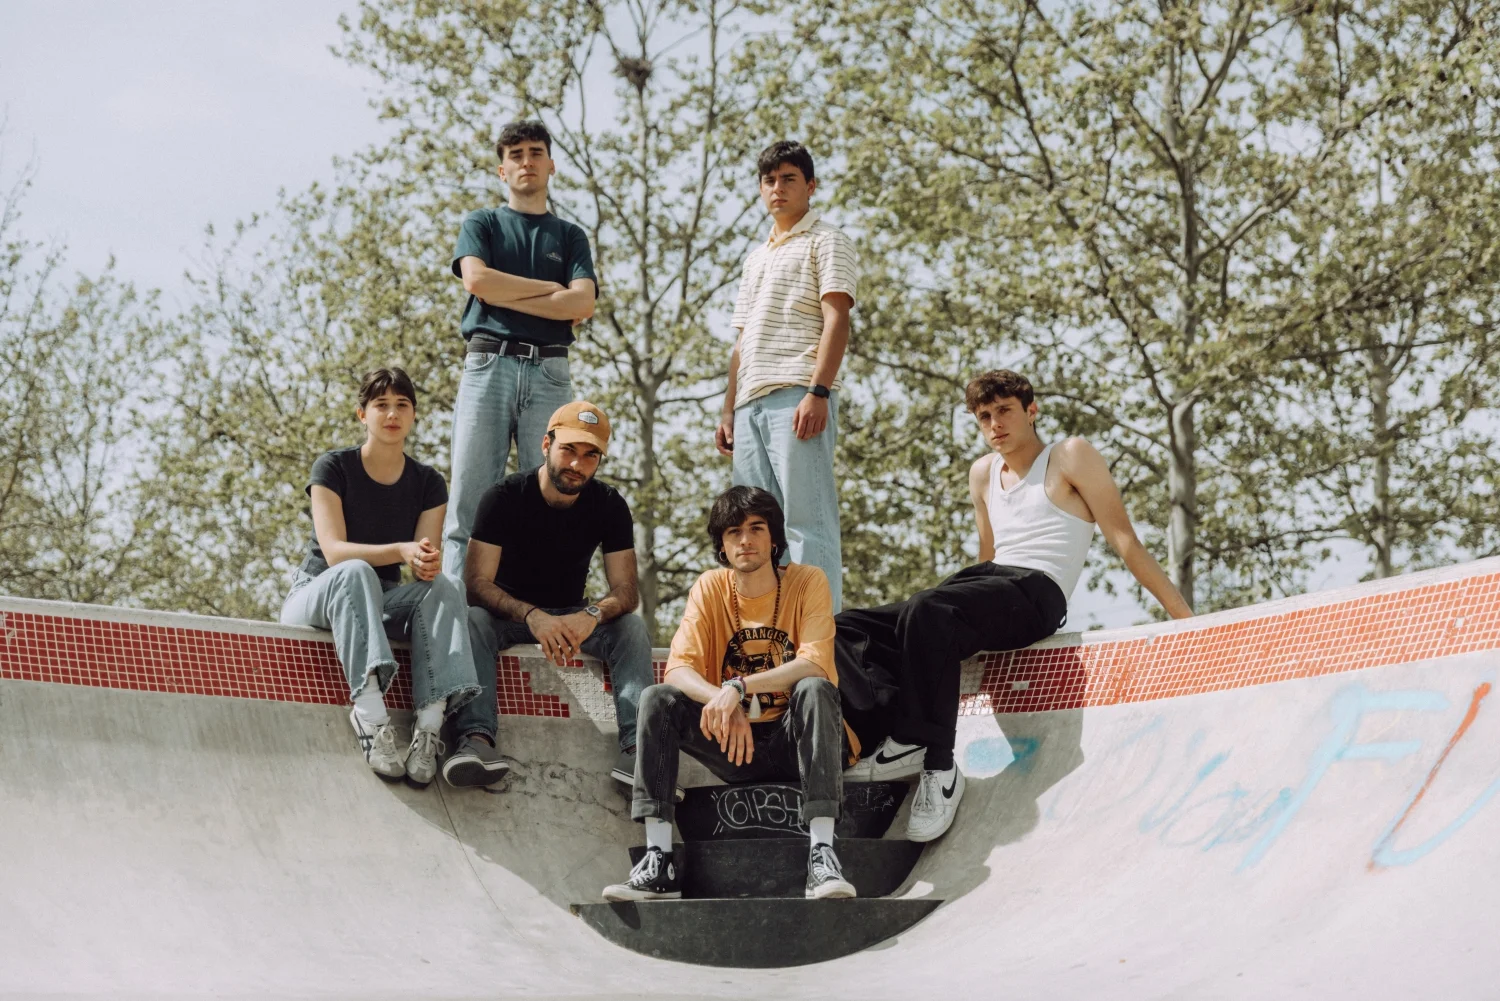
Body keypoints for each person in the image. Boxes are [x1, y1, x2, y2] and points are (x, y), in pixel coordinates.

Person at [837, 369, 1193, 842]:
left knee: (928, 607)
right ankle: (892, 736)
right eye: (984, 416)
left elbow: (1124, 540)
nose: (995, 424)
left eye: (1004, 411)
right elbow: (987, 557)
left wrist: (1186, 620)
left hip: (1038, 591)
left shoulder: (1069, 456)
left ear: (1031, 410)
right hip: (988, 584)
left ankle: (938, 765)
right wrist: (953, 632)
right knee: (846, 627)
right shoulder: (983, 473)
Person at [602, 486, 860, 902]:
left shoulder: (808, 581)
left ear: (773, 539)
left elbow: (814, 663)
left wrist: (738, 687)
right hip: (733, 743)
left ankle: (822, 856)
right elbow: (678, 669)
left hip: (793, 740)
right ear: (721, 545)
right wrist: (721, 699)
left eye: (756, 528)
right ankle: (659, 859)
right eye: (733, 532)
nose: (745, 540)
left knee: (814, 689)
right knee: (657, 698)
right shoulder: (710, 587)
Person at [280, 367, 482, 787]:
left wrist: (425, 563)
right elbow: (334, 552)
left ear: (413, 415)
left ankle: (429, 728)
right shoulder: (332, 467)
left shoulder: (428, 482)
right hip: (318, 593)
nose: (392, 414)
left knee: (447, 585)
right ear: (362, 414)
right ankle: (370, 717)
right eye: (381, 405)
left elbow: (422, 563)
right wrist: (400, 550)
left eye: (402, 405)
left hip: (379, 601)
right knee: (355, 571)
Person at [445, 401, 655, 790]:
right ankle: (476, 741)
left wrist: (591, 615)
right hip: (508, 617)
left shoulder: (609, 504)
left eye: (590, 456)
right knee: (472, 619)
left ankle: (640, 755)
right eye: (568, 450)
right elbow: (476, 585)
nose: (577, 464)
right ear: (546, 444)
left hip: (573, 617)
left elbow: (627, 592)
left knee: (630, 628)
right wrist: (531, 615)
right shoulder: (503, 497)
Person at [444, 119, 598, 577]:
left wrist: (502, 292)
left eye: (535, 153)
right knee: (469, 502)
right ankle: (455, 609)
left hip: (550, 371)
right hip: (487, 364)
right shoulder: (483, 223)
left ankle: (544, 607)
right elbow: (476, 280)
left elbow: (583, 303)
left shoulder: (569, 236)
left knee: (554, 497)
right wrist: (550, 291)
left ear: (551, 165)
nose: (526, 162)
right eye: (516, 155)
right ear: (502, 169)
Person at [714, 140, 857, 613]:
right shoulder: (755, 258)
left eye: (789, 178)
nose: (778, 188)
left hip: (798, 393)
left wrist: (818, 391)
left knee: (806, 521)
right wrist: (729, 409)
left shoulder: (828, 239)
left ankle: (821, 629)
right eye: (769, 180)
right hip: (749, 405)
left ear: (810, 186)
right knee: (754, 528)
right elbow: (742, 342)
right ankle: (768, 628)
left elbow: (837, 319)